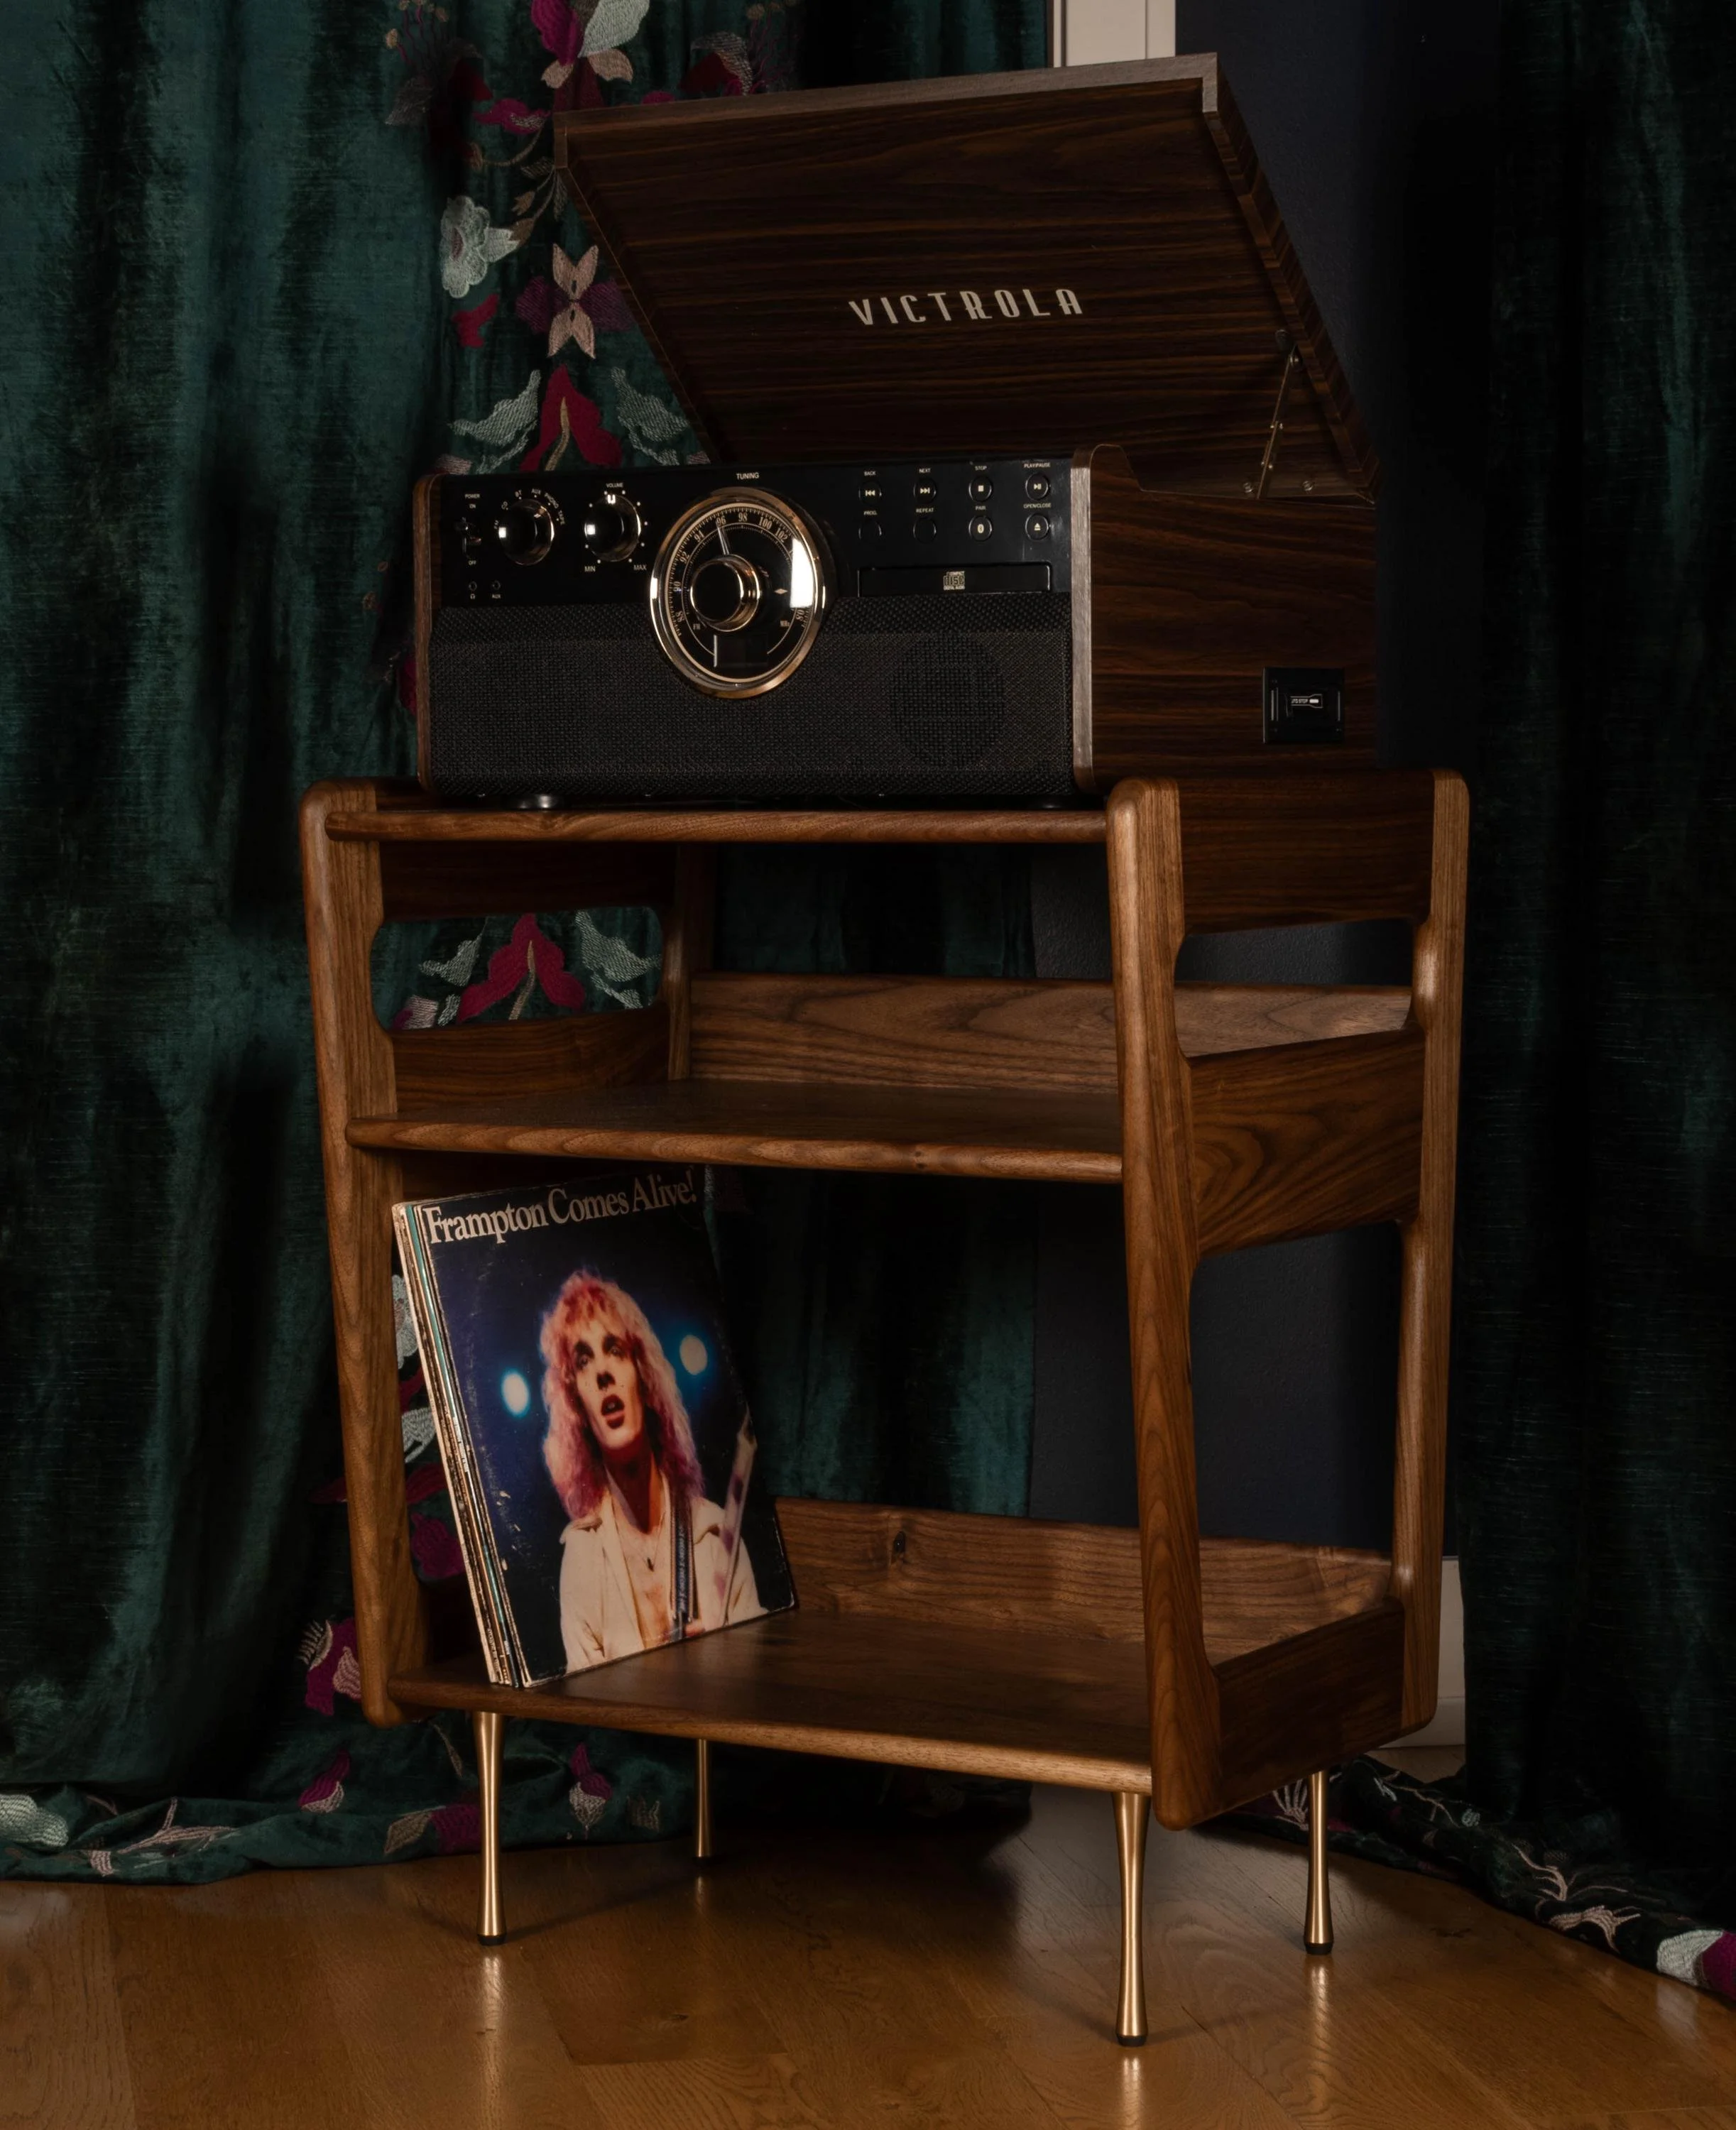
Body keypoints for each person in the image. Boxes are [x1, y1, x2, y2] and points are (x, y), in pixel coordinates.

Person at [540, 1271, 762, 1672]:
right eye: (584, 1361)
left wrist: (729, 1656)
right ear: (577, 1407)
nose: (602, 1372)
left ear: (642, 1378)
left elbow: (764, 1679)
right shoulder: (582, 1559)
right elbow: (589, 1704)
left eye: (615, 1350)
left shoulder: (715, 1537)